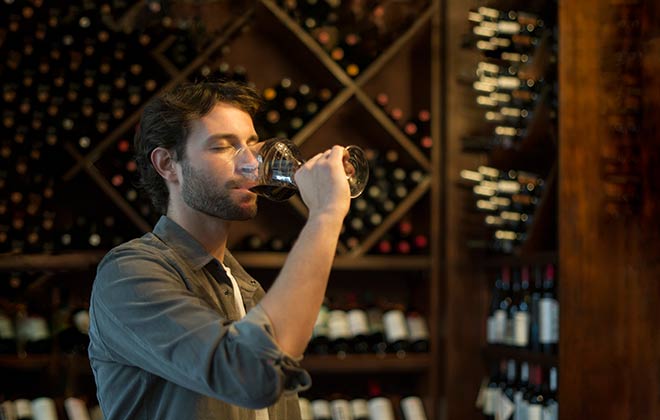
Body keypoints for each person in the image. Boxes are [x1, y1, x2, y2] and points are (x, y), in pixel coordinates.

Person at [87, 81, 351, 420]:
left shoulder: (247, 288)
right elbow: (251, 376)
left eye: (252, 145)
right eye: (223, 147)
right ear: (168, 164)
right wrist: (326, 214)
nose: (251, 164)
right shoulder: (129, 274)